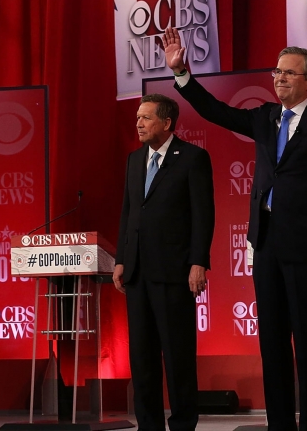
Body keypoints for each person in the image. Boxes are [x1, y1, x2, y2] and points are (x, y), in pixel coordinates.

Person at [165, 29, 307, 431]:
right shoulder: (266, 117)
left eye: (289, 73)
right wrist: (182, 73)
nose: (280, 78)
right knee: (272, 343)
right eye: (276, 71)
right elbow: (216, 111)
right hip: (265, 243)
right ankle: (280, 424)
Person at [113, 93, 215, 431]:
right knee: (141, 358)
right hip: (138, 272)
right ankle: (149, 425)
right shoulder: (132, 160)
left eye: (146, 118)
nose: (138, 123)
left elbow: (203, 215)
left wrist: (198, 262)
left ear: (167, 122)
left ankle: (184, 424)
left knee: (177, 356)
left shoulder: (192, 158)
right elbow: (129, 212)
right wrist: (121, 260)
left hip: (174, 272)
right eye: (137, 118)